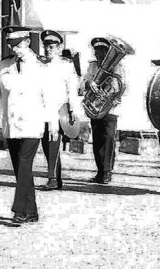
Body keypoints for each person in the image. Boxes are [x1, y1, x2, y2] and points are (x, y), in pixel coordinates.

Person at [0, 26, 47, 224]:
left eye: (17, 45)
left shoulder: (40, 66)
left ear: (26, 42)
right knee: (20, 169)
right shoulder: (5, 64)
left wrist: (54, 124)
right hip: (11, 124)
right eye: (11, 45)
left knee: (25, 164)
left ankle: (19, 210)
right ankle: (31, 211)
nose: (14, 49)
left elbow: (49, 96)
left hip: (32, 124)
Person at [82, 36, 128, 185]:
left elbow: (122, 86)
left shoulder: (118, 67)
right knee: (97, 142)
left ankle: (107, 172)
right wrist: (89, 83)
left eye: (101, 51)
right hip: (95, 107)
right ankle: (100, 171)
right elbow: (83, 82)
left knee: (108, 140)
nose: (98, 54)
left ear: (107, 52)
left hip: (110, 109)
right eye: (96, 51)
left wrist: (114, 94)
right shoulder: (92, 66)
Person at [37, 30, 78, 190]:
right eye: (46, 46)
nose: (48, 49)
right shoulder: (39, 65)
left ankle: (53, 179)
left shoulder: (66, 66)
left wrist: (72, 110)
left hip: (58, 112)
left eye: (52, 46)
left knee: (53, 145)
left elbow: (72, 90)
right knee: (46, 146)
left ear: (59, 48)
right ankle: (55, 178)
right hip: (41, 111)